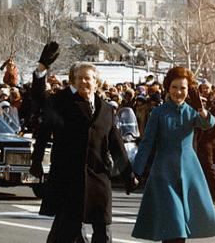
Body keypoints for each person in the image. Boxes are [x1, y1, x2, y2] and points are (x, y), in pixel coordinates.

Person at [31, 42, 136, 243]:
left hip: (98, 178)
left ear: (96, 82)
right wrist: (42, 68)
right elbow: (39, 98)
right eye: (79, 79)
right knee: (65, 233)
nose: (83, 82)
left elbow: (116, 144)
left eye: (87, 79)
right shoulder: (62, 104)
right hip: (70, 179)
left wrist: (128, 174)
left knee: (102, 233)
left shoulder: (106, 109)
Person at [132, 66, 215, 243]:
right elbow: (147, 142)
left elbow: (208, 124)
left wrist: (201, 108)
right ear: (168, 88)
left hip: (189, 172)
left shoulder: (192, 111)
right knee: (173, 225)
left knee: (180, 228)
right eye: (174, 87)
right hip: (164, 173)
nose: (178, 92)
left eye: (183, 88)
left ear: (189, 90)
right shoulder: (158, 113)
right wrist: (136, 171)